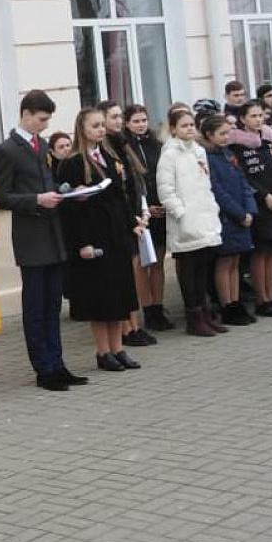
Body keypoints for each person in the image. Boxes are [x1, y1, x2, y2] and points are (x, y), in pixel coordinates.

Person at [0, 90, 88, 391]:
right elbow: (1, 197)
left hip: (53, 234)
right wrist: (36, 199)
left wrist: (67, 192)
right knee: (35, 307)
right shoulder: (7, 150)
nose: (45, 126)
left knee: (52, 305)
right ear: (26, 114)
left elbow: (49, 182)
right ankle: (43, 369)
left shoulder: (43, 145)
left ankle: (58, 364)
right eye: (42, 119)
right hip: (31, 237)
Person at [56, 108, 145, 371]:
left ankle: (119, 348)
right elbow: (70, 209)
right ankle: (103, 351)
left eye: (102, 125)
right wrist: (82, 243)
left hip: (116, 232)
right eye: (94, 126)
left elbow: (121, 194)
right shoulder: (72, 163)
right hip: (94, 236)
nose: (100, 130)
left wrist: (133, 224)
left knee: (120, 294)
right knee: (100, 297)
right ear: (82, 129)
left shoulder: (109, 155)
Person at [157, 110, 225, 336]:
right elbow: (165, 189)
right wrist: (180, 213)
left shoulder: (198, 151)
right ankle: (193, 316)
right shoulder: (169, 154)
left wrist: (210, 207)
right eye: (184, 125)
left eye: (191, 125)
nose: (189, 129)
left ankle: (205, 312)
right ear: (174, 129)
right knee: (189, 270)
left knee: (203, 269)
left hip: (203, 217)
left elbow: (205, 183)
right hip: (185, 222)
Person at [98, 100, 156, 347]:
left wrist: (141, 210)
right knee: (126, 273)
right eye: (113, 117)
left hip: (133, 211)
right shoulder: (104, 148)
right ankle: (125, 328)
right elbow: (114, 187)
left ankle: (135, 324)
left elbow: (135, 179)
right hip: (119, 217)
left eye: (120, 116)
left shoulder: (122, 142)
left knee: (135, 271)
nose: (118, 121)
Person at [232, 102, 272, 317]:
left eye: (261, 115)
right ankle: (262, 299)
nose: (258, 120)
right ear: (243, 119)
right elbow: (245, 177)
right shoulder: (238, 146)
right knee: (260, 252)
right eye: (253, 116)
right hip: (259, 203)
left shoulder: (269, 141)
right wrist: (264, 196)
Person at [200, 114, 257, 326]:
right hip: (227, 217)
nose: (226, 137)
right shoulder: (209, 158)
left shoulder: (228, 155)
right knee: (225, 262)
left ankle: (236, 300)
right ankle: (227, 305)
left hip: (242, 215)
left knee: (236, 261)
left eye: (228, 133)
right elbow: (218, 191)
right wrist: (239, 214)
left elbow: (244, 183)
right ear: (209, 135)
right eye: (221, 134)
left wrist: (250, 210)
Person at [124, 104, 173, 332]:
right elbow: (134, 183)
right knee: (143, 264)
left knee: (159, 262)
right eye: (136, 121)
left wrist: (162, 203)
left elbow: (163, 175)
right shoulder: (126, 148)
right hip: (141, 213)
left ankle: (158, 305)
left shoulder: (157, 145)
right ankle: (147, 308)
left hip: (160, 208)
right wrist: (146, 208)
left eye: (144, 120)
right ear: (127, 124)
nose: (141, 124)